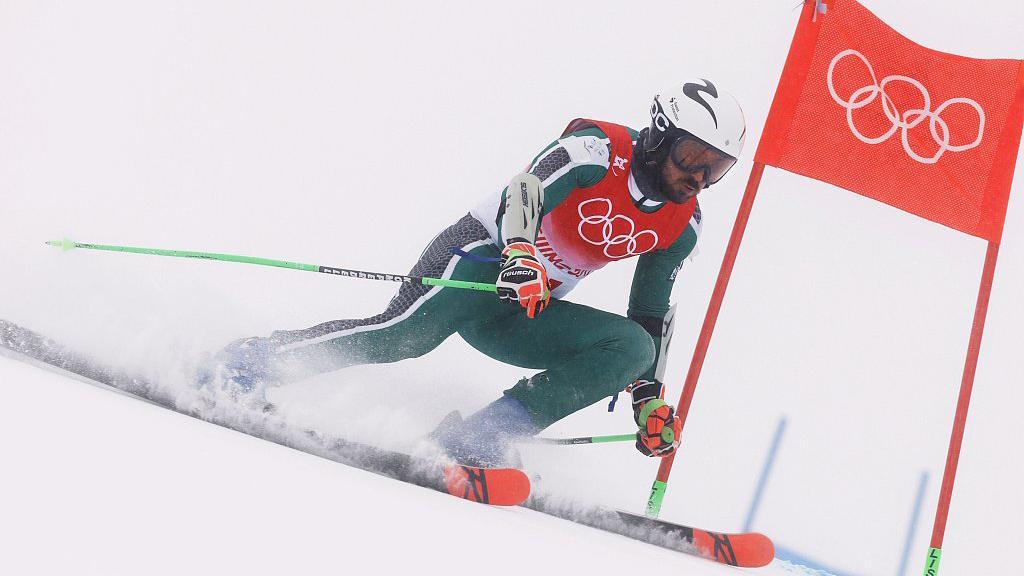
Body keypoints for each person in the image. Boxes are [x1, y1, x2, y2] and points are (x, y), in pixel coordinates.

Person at [202, 78, 746, 466]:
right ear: (658, 135)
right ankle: (245, 365)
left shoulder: (683, 226)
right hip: (480, 260)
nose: (698, 178)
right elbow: (526, 189)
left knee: (631, 347)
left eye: (716, 169)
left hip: (525, 309)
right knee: (401, 338)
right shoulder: (595, 152)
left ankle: (478, 441)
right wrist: (521, 253)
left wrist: (647, 395)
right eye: (691, 157)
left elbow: (649, 310)